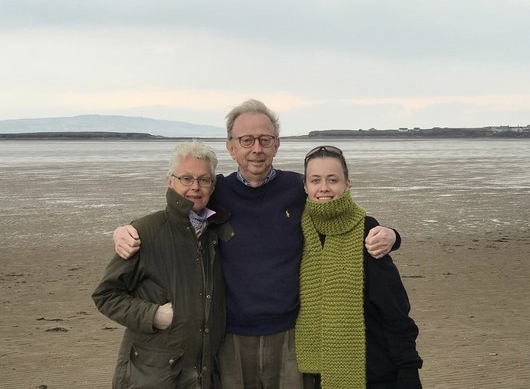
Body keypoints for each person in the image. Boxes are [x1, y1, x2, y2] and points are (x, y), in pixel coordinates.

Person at [112, 99, 401, 388]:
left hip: (290, 334)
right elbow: (175, 216)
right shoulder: (216, 191)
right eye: (246, 140)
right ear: (231, 146)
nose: (256, 149)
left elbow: (342, 214)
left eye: (264, 139)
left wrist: (391, 235)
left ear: (277, 144)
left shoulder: (298, 188)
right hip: (230, 337)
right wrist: (125, 230)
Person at [92, 141, 233, 388]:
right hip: (152, 375)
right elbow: (106, 295)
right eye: (186, 178)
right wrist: (153, 315)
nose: (195, 187)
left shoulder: (217, 231)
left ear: (213, 184)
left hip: (203, 373)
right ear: (171, 181)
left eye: (204, 179)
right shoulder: (145, 231)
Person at [297, 145, 422, 389]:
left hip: (373, 373)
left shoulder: (368, 231)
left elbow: (395, 308)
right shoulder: (297, 232)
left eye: (333, 179)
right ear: (305, 186)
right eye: (316, 180)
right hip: (314, 374)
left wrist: (408, 369)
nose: (324, 188)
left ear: (347, 184)